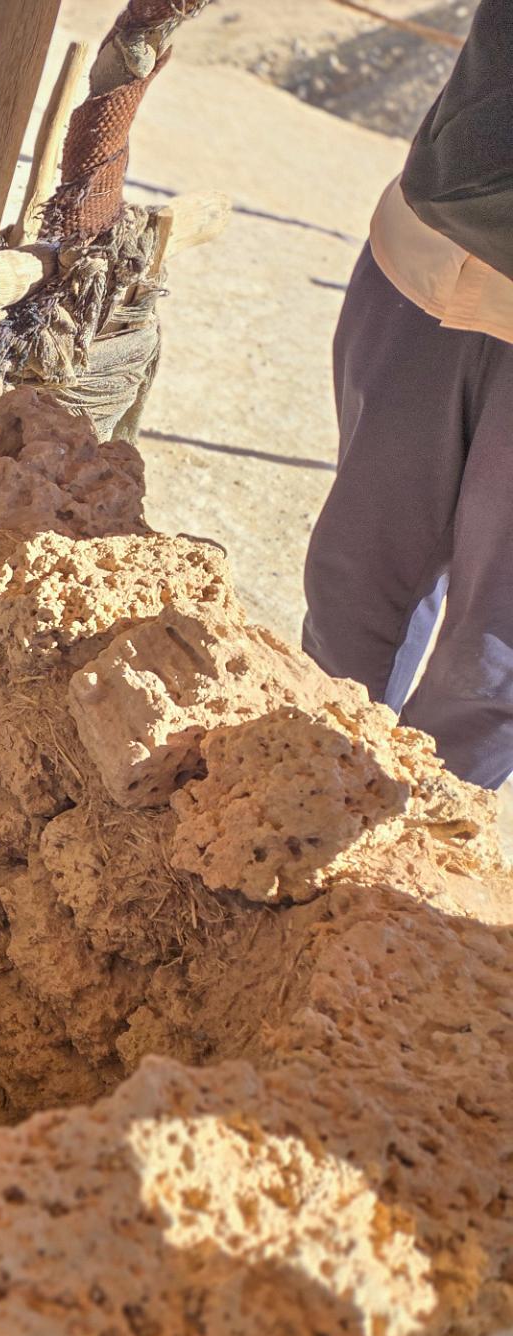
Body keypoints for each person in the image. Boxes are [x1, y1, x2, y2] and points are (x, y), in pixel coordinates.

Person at [301, 0, 513, 792]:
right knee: (352, 586)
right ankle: (298, 804)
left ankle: (406, 844)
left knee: (490, 664)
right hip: (426, 261)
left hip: (436, 249)